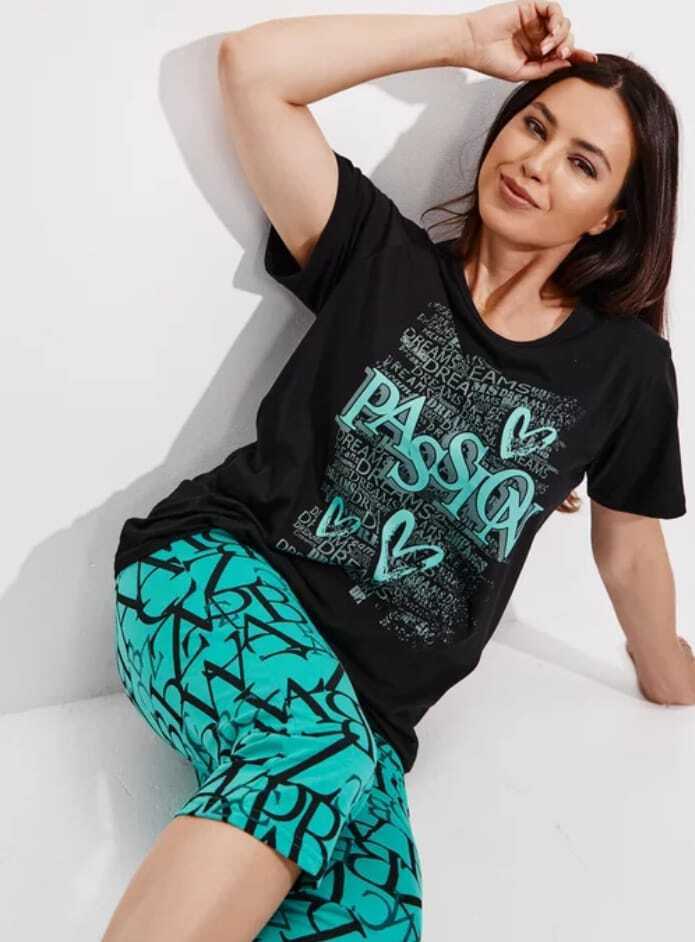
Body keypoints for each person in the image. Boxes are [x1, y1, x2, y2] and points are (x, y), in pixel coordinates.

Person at [104, 3, 693, 940]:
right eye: (534, 126)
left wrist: (670, 677)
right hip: (209, 577)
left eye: (582, 163)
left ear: (611, 215)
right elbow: (252, 69)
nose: (536, 163)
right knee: (306, 748)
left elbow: (627, 548)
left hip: (364, 713)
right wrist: (463, 42)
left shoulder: (623, 370)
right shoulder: (378, 258)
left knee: (370, 921)